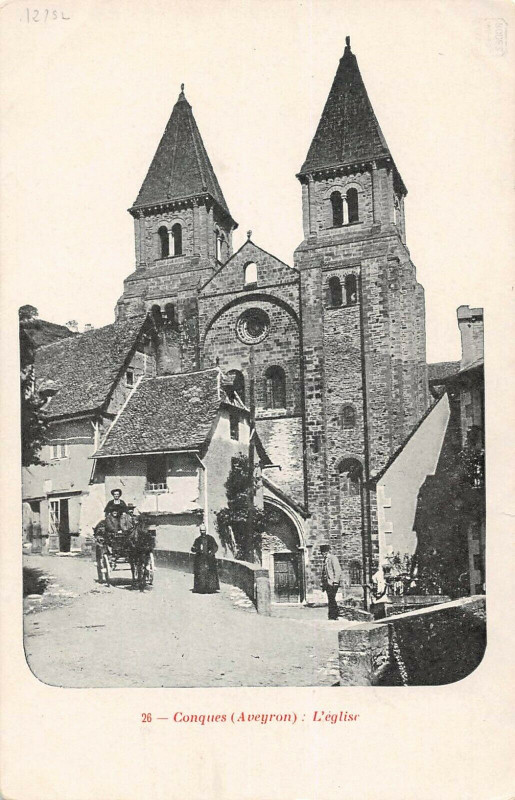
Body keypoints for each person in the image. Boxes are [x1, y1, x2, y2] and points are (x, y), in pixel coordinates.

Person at [191, 524, 220, 594]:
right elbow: (193, 548)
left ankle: (211, 588)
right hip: (200, 560)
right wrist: (196, 549)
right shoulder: (197, 540)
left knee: (210, 573)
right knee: (201, 574)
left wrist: (211, 552)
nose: (202, 532)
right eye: (201, 530)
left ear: (205, 531)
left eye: (203, 530)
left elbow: (215, 547)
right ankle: (201, 589)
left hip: (209, 559)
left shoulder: (210, 538)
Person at [320, 543, 342, 620]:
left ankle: (334, 615)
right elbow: (323, 573)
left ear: (326, 552)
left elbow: (337, 570)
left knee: (332, 598)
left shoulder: (333, 558)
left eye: (323, 552)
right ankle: (332, 615)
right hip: (327, 583)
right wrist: (322, 583)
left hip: (333, 583)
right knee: (330, 599)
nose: (323, 554)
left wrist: (336, 581)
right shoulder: (325, 560)